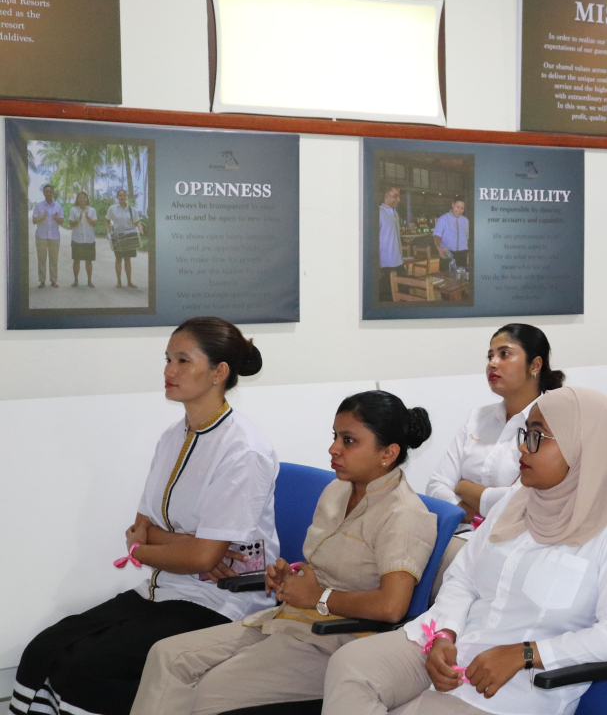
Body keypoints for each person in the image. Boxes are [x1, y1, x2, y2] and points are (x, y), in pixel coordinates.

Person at [322, 387, 607, 715]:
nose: (522, 450)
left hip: (517, 684)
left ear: (583, 447)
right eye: (524, 434)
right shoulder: (517, 502)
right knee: (352, 667)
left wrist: (525, 654)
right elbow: (463, 579)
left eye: (537, 437)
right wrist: (446, 632)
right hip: (454, 643)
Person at [9, 317, 276, 715]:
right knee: (45, 648)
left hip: (221, 602)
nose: (169, 371)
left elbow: (185, 555)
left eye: (183, 361)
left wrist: (149, 549)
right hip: (165, 587)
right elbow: (143, 527)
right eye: (168, 359)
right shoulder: (173, 436)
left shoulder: (243, 451)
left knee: (89, 666)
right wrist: (187, 546)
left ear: (219, 372)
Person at [131, 390, 436, 715]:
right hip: (288, 619)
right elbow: (323, 566)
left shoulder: (404, 515)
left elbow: (392, 606)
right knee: (167, 656)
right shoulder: (336, 491)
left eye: (349, 441)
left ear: (387, 453)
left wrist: (318, 596)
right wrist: (290, 578)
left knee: (205, 693)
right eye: (335, 436)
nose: (333, 448)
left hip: (334, 639)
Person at [426, 324, 564, 591]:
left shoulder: (554, 422)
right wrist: (467, 512)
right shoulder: (478, 417)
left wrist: (464, 487)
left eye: (504, 354)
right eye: (490, 356)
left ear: (535, 365)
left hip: (516, 541)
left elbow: (524, 501)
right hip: (463, 533)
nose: (493, 364)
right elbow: (436, 485)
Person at [106, 188, 143, 289]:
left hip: (129, 237)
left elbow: (136, 222)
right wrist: (108, 232)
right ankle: (119, 282)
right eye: (120, 195)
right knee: (118, 259)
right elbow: (107, 221)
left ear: (126, 197)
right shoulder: (112, 208)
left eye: (124, 195)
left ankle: (129, 282)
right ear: (117, 197)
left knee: (128, 260)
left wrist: (139, 226)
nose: (122, 197)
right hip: (117, 237)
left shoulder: (132, 209)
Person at [31, 183, 64, 289]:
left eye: (50, 191)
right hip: (41, 237)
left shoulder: (58, 206)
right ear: (44, 193)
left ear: (53, 193)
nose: (48, 193)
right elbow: (34, 221)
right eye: (46, 191)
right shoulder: (38, 205)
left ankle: (53, 280)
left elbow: (62, 222)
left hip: (54, 237)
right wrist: (43, 217)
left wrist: (56, 219)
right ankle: (42, 281)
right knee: (41, 259)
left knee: (54, 259)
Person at [68, 191, 99, 288]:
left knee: (88, 261)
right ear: (77, 200)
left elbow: (94, 223)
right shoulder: (73, 210)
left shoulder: (92, 210)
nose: (82, 199)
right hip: (77, 239)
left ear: (87, 200)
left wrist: (87, 217)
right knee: (76, 260)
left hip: (89, 239)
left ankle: (89, 281)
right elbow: (71, 224)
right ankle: (76, 280)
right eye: (80, 198)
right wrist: (79, 218)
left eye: (84, 198)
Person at [433, 196, 469, 270]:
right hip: (447, 253)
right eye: (457, 207)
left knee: (462, 278)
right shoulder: (443, 219)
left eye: (462, 208)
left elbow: (467, 238)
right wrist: (440, 250)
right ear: (453, 205)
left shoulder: (466, 221)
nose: (459, 210)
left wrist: (468, 255)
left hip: (462, 254)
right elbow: (437, 237)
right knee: (447, 278)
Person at [380, 186, 403, 297]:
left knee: (403, 294)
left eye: (399, 197)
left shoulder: (395, 213)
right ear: (386, 196)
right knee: (388, 297)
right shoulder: (380, 213)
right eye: (395, 196)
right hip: (385, 265)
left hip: (399, 262)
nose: (398, 200)